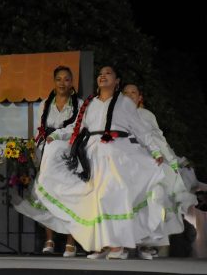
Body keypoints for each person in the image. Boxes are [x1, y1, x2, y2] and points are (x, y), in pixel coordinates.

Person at [35, 65, 167, 260]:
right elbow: (77, 127)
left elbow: (141, 130)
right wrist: (56, 135)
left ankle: (118, 246)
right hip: (93, 155)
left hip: (118, 153)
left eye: (108, 74)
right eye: (100, 74)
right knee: (97, 199)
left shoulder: (125, 103)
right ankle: (103, 244)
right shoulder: (90, 103)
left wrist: (155, 150)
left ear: (117, 81)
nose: (103, 76)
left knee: (116, 196)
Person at [12, 66, 83, 257]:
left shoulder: (80, 104)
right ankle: (49, 239)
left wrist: (58, 137)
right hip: (46, 150)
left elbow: (78, 128)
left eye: (66, 79)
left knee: (69, 195)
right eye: (58, 79)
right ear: (54, 82)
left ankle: (71, 241)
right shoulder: (45, 103)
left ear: (72, 82)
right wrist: (34, 152)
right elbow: (39, 129)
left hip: (68, 151)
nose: (62, 83)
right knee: (44, 191)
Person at [122, 83, 198, 258]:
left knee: (151, 201)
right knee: (128, 203)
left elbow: (159, 140)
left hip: (149, 163)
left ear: (140, 97)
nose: (129, 95)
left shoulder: (145, 115)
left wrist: (174, 160)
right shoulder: (117, 114)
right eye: (126, 92)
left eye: (133, 92)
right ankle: (124, 244)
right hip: (126, 163)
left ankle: (146, 244)